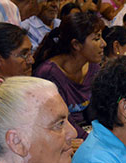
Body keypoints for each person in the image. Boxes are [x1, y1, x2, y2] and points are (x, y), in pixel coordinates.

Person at [33, 12, 106, 140]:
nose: (103, 44)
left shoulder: (93, 68)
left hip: (87, 134)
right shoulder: (49, 74)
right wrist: (93, 143)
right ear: (76, 44)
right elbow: (60, 119)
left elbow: (99, 109)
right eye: (96, 38)